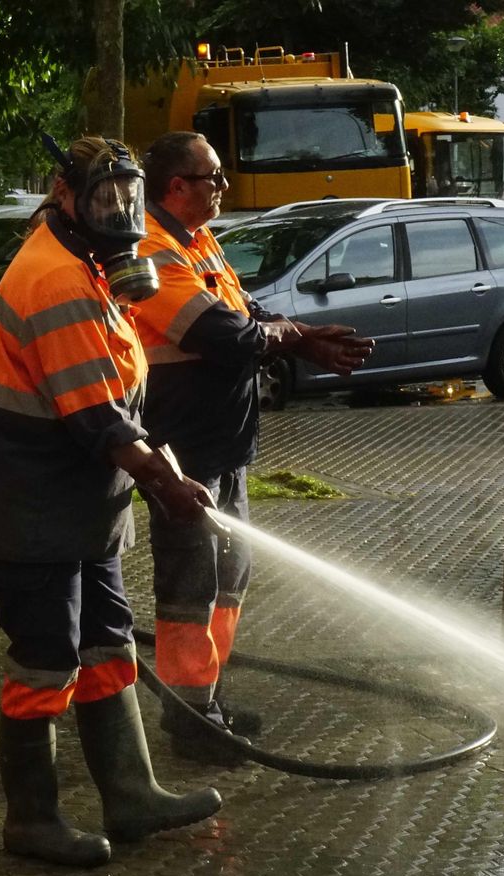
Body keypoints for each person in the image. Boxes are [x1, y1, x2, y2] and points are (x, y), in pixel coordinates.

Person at [0, 134, 223, 868]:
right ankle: (30, 820)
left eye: (128, 197)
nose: (121, 211)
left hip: (81, 507)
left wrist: (152, 464)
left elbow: (118, 387)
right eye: (105, 198)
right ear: (65, 195)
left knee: (106, 645)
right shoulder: (58, 280)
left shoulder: (90, 265)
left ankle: (132, 794)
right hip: (27, 507)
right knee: (47, 657)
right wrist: (165, 480)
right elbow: (97, 418)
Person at [131, 131, 373, 765]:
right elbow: (220, 332)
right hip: (182, 457)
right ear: (176, 186)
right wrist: (292, 335)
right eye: (213, 178)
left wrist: (299, 337)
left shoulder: (197, 240)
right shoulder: (150, 253)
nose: (224, 187)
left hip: (225, 448)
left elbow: (243, 310)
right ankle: (189, 723)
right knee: (191, 588)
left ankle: (207, 701)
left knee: (230, 577)